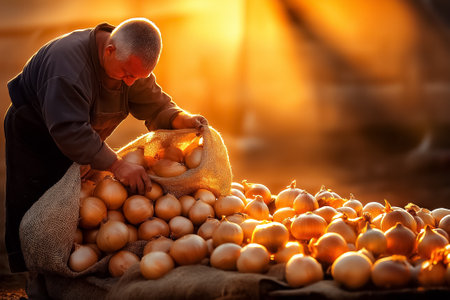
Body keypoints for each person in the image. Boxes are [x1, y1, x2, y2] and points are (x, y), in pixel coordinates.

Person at [4, 17, 208, 275]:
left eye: (138, 76)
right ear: (109, 50)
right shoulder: (67, 68)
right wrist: (117, 165)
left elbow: (156, 104)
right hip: (37, 134)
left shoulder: (128, 60)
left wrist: (182, 118)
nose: (131, 82)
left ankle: (68, 270)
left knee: (77, 206)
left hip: (83, 133)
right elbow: (70, 129)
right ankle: (35, 275)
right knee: (37, 209)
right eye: (127, 74)